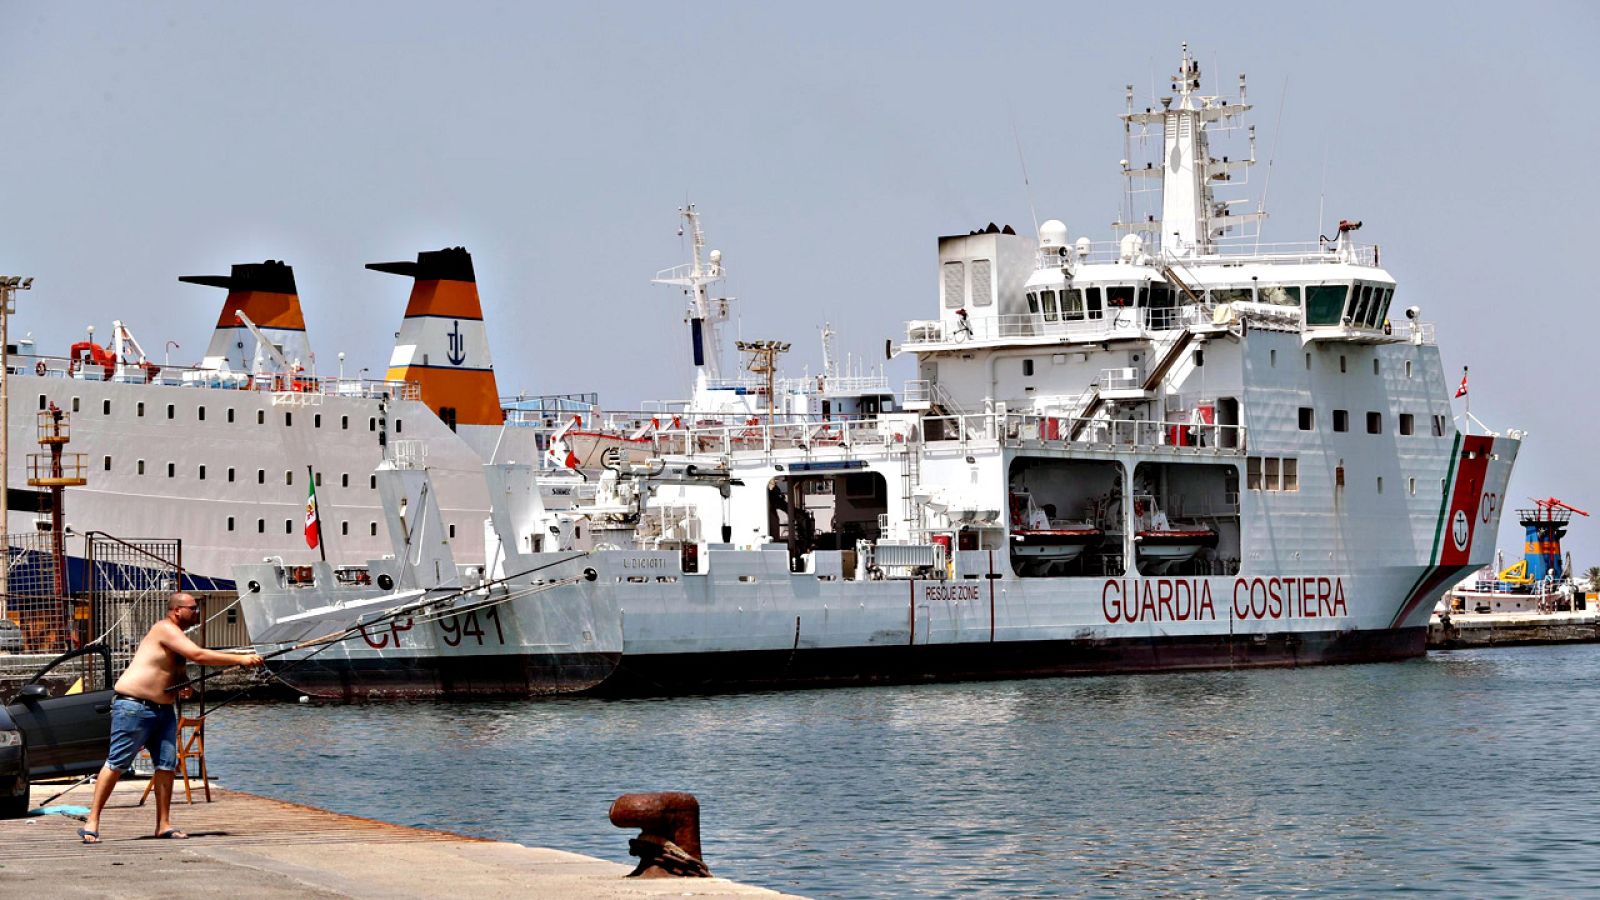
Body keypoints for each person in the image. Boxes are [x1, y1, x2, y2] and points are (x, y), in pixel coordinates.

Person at [79, 592, 263, 844]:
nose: (197, 613)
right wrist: (241, 659)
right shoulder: (164, 628)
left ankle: (163, 824)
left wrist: (183, 683)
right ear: (177, 610)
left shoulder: (178, 637)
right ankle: (93, 821)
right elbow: (198, 655)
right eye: (193, 608)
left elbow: (176, 669)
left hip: (163, 711)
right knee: (117, 763)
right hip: (134, 707)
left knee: (166, 765)